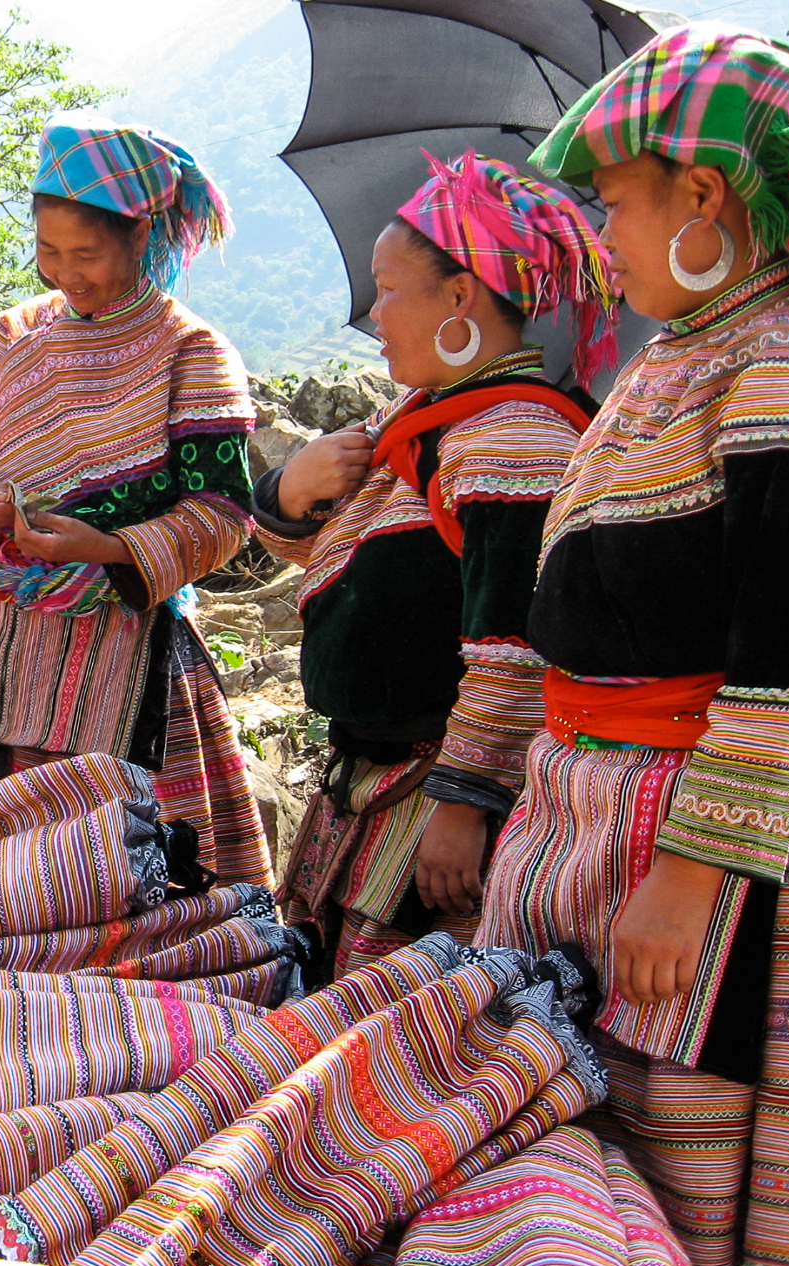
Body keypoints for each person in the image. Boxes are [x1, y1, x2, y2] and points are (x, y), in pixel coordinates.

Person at [470, 26, 789, 1266]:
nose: (605, 237)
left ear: (702, 196)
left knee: (679, 1167)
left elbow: (787, 657)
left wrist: (692, 872)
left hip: (707, 840)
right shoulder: (677, 358)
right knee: (574, 1123)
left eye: (617, 204)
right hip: (587, 809)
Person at [258, 152, 614, 979]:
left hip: (435, 807)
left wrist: (465, 801)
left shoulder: (517, 443)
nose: (374, 312)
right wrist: (289, 487)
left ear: (459, 297)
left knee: (395, 1042)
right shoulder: (417, 429)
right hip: (365, 788)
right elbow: (339, 567)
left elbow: (514, 645)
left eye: (389, 289)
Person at [0, 111, 270, 886]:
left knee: (101, 876)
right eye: (49, 251)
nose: (66, 272)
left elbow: (224, 511)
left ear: (140, 238)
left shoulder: (191, 353)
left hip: (120, 643)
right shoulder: (14, 335)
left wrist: (104, 547)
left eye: (87, 253)